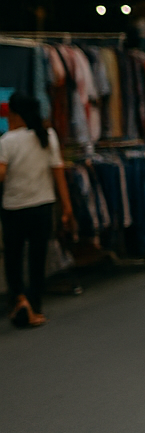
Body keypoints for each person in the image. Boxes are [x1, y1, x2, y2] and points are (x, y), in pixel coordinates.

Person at [0, 95, 73, 328]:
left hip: (14, 207)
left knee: (13, 257)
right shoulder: (47, 136)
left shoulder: (7, 141)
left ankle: (19, 300)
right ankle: (35, 306)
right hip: (43, 206)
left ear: (15, 114)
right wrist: (67, 206)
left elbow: (1, 175)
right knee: (37, 258)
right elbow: (58, 172)